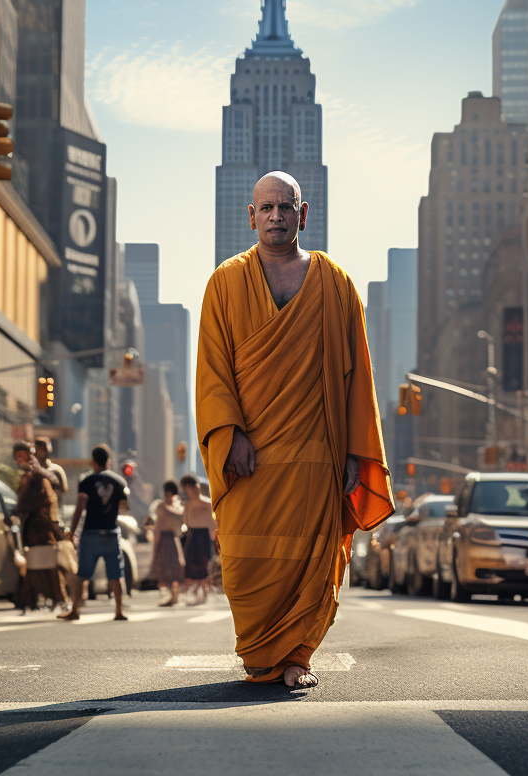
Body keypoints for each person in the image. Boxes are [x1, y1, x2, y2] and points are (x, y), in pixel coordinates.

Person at [196, 171, 395, 688]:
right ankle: (262, 653)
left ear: (304, 214)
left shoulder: (336, 283)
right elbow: (213, 369)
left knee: (312, 562)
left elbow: (357, 377)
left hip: (316, 456)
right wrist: (229, 433)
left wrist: (355, 453)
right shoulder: (225, 282)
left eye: (286, 207)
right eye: (266, 208)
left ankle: (298, 657)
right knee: (245, 561)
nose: (276, 217)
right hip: (250, 456)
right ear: (251, 216)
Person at [62, 444, 129, 621]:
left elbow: (80, 509)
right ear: (108, 461)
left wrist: (72, 531)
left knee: (81, 574)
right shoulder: (120, 481)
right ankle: (119, 611)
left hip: (90, 533)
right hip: (111, 532)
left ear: (93, 461)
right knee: (115, 574)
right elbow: (124, 508)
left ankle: (75, 610)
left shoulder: (86, 481)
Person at [12, 441, 68, 612]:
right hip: (28, 526)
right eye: (20, 456)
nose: (24, 459)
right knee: (30, 565)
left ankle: (59, 599)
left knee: (50, 564)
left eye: (28, 454)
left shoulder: (42, 473)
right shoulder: (17, 474)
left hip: (44, 526)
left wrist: (38, 470)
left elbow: (57, 484)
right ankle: (31, 600)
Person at [149, 481, 186, 607]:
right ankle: (175, 596)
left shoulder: (162, 507)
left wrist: (156, 543)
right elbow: (181, 527)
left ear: (168, 492)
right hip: (175, 540)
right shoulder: (179, 508)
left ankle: (171, 597)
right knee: (175, 569)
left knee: (164, 569)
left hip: (165, 540)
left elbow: (158, 526)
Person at [180, 474, 215, 604]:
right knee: (197, 564)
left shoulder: (205, 502)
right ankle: (200, 589)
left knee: (203, 563)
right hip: (195, 535)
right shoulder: (191, 503)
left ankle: (203, 590)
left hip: (202, 535)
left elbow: (212, 521)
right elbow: (186, 522)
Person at [33, 437, 67, 521]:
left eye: (43, 449)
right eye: (39, 449)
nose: (41, 452)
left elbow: (62, 490)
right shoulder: (32, 471)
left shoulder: (56, 470)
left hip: (53, 514)